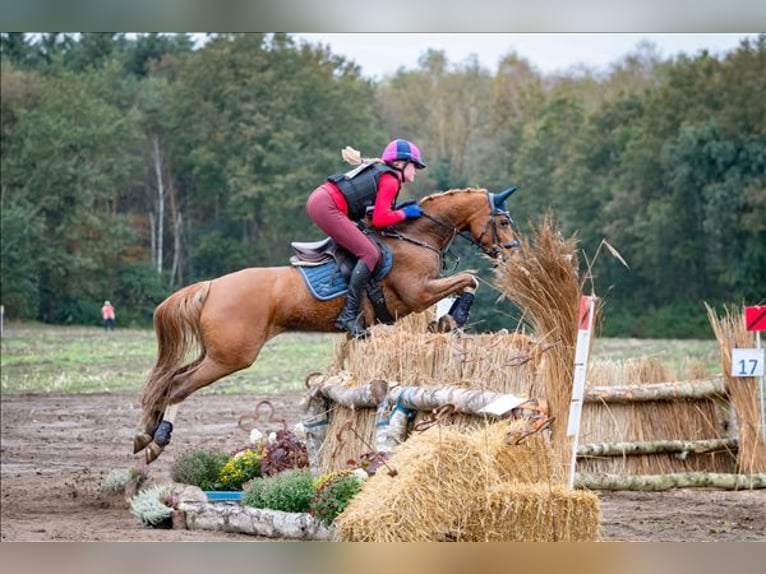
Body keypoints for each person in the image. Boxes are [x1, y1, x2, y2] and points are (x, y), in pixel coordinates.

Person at [306, 138, 427, 338]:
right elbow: (379, 220)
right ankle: (348, 314)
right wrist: (405, 214)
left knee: (365, 247)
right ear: (400, 164)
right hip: (327, 206)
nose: (416, 171)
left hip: (322, 201)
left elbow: (374, 214)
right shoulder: (390, 179)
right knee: (370, 253)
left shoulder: (386, 174)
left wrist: (398, 209)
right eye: (414, 166)